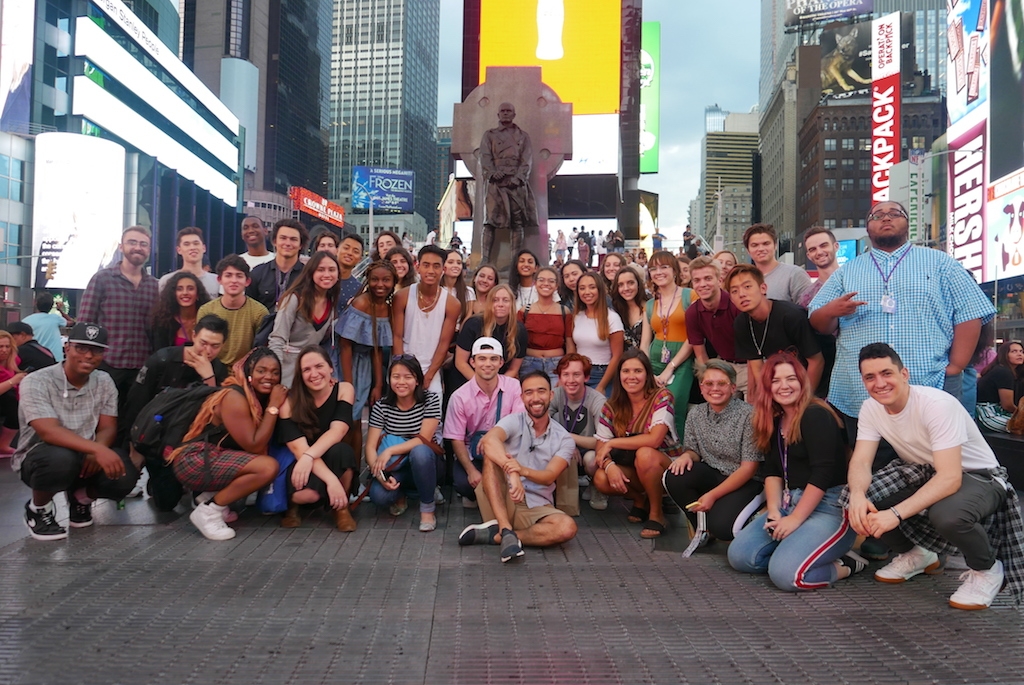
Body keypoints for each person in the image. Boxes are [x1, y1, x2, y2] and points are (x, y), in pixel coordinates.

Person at [844, 343, 1024, 609]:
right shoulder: (871, 408)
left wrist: (894, 514)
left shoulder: (936, 405)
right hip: (925, 469)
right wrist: (858, 496)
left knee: (948, 514)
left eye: (886, 373)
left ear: (904, 374)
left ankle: (986, 569)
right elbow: (860, 460)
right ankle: (918, 554)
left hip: (979, 475)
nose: (879, 383)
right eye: (870, 377)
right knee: (855, 497)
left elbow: (950, 477)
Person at [809, 201, 996, 424]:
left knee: (933, 455)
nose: (886, 218)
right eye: (877, 216)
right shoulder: (847, 271)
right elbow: (817, 321)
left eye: (894, 213)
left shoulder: (941, 263)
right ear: (868, 229)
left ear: (907, 224)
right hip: (860, 390)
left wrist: (956, 366)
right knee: (869, 455)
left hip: (928, 383)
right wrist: (831, 311)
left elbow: (970, 312)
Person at [728, 352, 863, 591]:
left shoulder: (815, 414)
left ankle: (844, 564)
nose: (784, 386)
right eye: (776, 380)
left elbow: (822, 474)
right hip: (788, 502)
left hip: (828, 507)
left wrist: (795, 520)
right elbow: (772, 472)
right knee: (741, 556)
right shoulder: (773, 419)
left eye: (791, 378)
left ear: (802, 381)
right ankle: (800, 552)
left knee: (786, 576)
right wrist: (773, 512)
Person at [15, 323, 139, 540]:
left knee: (125, 475)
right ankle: (39, 509)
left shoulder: (104, 380)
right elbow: (49, 432)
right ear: (67, 348)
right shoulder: (37, 381)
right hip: (42, 456)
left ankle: (80, 498)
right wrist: (96, 449)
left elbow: (108, 427)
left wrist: (97, 450)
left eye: (96, 350)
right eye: (81, 348)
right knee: (61, 459)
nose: (89, 355)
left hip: (86, 454)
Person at [458, 370, 578, 562]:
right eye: (529, 392)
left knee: (567, 528)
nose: (535, 398)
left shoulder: (564, 438)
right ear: (522, 397)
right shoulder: (514, 420)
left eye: (541, 391)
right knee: (491, 453)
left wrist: (521, 470)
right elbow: (490, 440)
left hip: (536, 504)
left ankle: (501, 535)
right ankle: (505, 526)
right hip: (501, 496)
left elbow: (549, 476)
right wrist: (512, 472)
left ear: (551, 395)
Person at [169, 348, 284, 540]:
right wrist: (274, 406)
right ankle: (208, 511)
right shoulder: (234, 396)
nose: (269, 377)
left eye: (275, 372)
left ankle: (208, 497)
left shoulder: (255, 398)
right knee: (267, 467)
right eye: (261, 371)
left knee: (264, 461)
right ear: (249, 373)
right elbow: (254, 446)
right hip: (193, 460)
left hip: (212, 456)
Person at [663, 360, 764, 544]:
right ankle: (701, 528)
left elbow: (748, 469)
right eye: (709, 383)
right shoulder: (696, 414)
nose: (714, 388)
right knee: (674, 475)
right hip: (713, 473)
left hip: (745, 480)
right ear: (701, 388)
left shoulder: (750, 415)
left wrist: (713, 495)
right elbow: (693, 450)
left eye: (722, 383)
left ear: (733, 388)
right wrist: (686, 456)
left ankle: (753, 512)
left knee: (724, 529)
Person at [591, 349, 683, 538]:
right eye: (626, 371)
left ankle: (656, 514)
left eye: (637, 371)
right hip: (634, 468)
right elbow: (600, 448)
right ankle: (639, 499)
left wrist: (613, 443)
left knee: (645, 454)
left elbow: (655, 439)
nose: (631, 377)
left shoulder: (662, 396)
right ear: (619, 375)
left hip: (668, 467)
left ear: (647, 374)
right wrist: (609, 466)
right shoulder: (611, 406)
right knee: (601, 478)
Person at [79, 226, 160, 424]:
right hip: (108, 362)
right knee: (101, 418)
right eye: (132, 242)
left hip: (142, 365)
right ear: (122, 247)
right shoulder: (102, 279)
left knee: (135, 420)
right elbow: (85, 323)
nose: (138, 248)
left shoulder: (155, 285)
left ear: (149, 250)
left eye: (143, 244)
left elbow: (158, 328)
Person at [277, 346, 359, 532]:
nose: (314, 374)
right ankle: (292, 506)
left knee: (343, 451)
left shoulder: (344, 389)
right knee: (308, 497)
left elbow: (338, 431)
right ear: (300, 374)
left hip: (323, 455)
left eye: (319, 366)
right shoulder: (289, 402)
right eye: (306, 369)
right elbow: (299, 449)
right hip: (298, 460)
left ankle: (341, 508)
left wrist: (309, 457)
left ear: (331, 367)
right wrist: (331, 481)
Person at [443, 337, 526, 508]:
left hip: (507, 451)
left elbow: (519, 425)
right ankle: (480, 495)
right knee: (464, 482)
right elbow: (456, 439)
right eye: (482, 358)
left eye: (493, 359)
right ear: (472, 362)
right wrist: (471, 471)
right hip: (474, 454)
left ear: (501, 362)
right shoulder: (459, 396)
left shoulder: (514, 387)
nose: (487, 364)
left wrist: (491, 440)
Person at [365, 355, 443, 532]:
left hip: (427, 462)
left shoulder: (430, 400)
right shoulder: (381, 406)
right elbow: (369, 447)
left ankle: (427, 508)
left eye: (408, 377)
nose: (401, 382)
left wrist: (390, 450)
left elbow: (423, 438)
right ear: (389, 379)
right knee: (379, 496)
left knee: (420, 452)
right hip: (396, 467)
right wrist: (379, 475)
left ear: (417, 381)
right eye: (396, 376)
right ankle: (404, 494)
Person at [728, 264, 823, 403]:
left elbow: (816, 361)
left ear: (763, 288)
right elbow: (758, 369)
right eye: (734, 291)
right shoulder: (741, 324)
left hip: (815, 382)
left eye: (747, 287)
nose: (742, 294)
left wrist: (804, 401)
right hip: (783, 382)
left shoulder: (791, 315)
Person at [122, 315, 231, 430]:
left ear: (223, 345)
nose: (208, 351)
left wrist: (209, 378)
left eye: (215, 346)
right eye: (203, 343)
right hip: (153, 428)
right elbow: (136, 401)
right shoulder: (163, 360)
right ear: (194, 336)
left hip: (190, 433)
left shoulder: (219, 369)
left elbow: (214, 413)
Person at [337, 260, 396, 454]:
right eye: (375, 280)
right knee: (349, 419)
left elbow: (376, 349)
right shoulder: (361, 303)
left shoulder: (386, 308)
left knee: (356, 421)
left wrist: (378, 384)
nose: (380, 285)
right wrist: (348, 385)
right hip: (347, 364)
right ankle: (346, 469)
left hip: (365, 366)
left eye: (386, 280)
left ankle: (355, 472)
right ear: (368, 281)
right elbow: (345, 346)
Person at [640, 251, 698, 435]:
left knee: (674, 405)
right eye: (653, 269)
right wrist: (648, 371)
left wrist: (670, 367)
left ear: (675, 271)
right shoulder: (650, 305)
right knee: (651, 408)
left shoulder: (691, 296)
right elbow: (644, 343)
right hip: (654, 360)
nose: (659, 272)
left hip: (681, 359)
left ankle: (678, 453)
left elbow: (693, 336)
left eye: (664, 267)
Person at [392, 245, 462, 396]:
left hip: (431, 367)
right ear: (418, 267)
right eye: (426, 265)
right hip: (403, 364)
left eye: (436, 266)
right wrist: (402, 370)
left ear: (443, 269)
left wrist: (429, 376)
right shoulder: (402, 297)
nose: (431, 271)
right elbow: (397, 336)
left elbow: (444, 343)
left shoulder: (452, 304)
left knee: (434, 403)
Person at [269, 252, 340, 388]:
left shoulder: (331, 301)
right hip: (288, 368)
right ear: (311, 272)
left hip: (312, 371)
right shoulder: (294, 298)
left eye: (332, 270)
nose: (327, 274)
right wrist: (277, 375)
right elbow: (277, 339)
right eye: (320, 270)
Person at [480, 102, 538, 264]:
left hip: (515, 183)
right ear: (498, 115)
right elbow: (484, 156)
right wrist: (492, 172)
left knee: (516, 222)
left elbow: (527, 159)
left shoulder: (523, 136)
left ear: (514, 114)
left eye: (509, 111)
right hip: (495, 184)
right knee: (489, 220)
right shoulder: (489, 135)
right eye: (502, 111)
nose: (505, 113)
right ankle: (484, 259)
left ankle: (515, 262)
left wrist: (518, 178)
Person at [549, 353, 608, 510]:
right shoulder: (555, 395)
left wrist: (569, 438)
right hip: (563, 450)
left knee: (592, 459)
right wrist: (566, 443)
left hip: (589, 450)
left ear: (586, 377)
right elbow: (540, 424)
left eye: (576, 374)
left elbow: (603, 441)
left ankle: (596, 485)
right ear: (560, 378)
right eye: (566, 375)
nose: (571, 380)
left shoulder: (597, 400)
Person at [685, 256, 748, 397]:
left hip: (749, 365)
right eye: (697, 280)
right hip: (723, 365)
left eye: (708, 278)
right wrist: (710, 379)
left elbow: (755, 347)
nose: (702, 284)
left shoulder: (736, 304)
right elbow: (700, 354)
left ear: (719, 280)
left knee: (752, 414)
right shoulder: (692, 312)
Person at [197, 255, 269, 367]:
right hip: (211, 368)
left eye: (239, 276)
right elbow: (201, 346)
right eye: (228, 275)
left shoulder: (259, 312)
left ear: (247, 281)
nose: (234, 281)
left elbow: (260, 351)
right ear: (219, 279)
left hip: (244, 371)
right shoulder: (206, 310)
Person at [455, 285, 527, 384]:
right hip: (469, 380)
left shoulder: (519, 330)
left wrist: (497, 386)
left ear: (512, 304)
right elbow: (460, 362)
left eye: (505, 300)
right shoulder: (473, 324)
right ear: (489, 303)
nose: (500, 304)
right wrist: (482, 384)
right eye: (495, 300)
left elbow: (513, 369)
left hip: (501, 382)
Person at [572, 272, 624, 396]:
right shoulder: (577, 316)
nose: (587, 292)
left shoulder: (612, 318)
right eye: (582, 288)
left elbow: (617, 356)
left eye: (592, 287)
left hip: (602, 374)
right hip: (579, 373)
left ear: (600, 290)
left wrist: (601, 386)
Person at [519, 267, 572, 382]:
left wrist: (569, 369)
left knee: (556, 398)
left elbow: (569, 342)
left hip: (556, 364)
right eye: (541, 280)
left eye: (551, 281)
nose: (546, 284)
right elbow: (516, 342)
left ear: (557, 285)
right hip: (529, 363)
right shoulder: (524, 311)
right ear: (535, 283)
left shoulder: (564, 311)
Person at [743, 223, 814, 304]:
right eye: (755, 245)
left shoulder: (794, 274)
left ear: (775, 245)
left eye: (766, 244)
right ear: (748, 250)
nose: (761, 249)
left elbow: (808, 310)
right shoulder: (744, 279)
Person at [247, 219, 309, 311]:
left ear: (300, 245)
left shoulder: (308, 276)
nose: (288, 243)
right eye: (283, 238)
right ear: (274, 241)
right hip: (263, 324)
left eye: (293, 239)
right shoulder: (257, 273)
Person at [149, 272, 211, 350]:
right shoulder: (162, 322)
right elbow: (159, 354)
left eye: (190, 288)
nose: (185, 293)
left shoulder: (207, 318)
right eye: (179, 289)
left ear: (198, 293)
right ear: (173, 294)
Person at [976, 341, 1024, 432]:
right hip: (988, 413)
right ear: (1005, 354)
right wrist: (1020, 415)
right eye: (1014, 351)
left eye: (1021, 351)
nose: (1019, 354)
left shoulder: (1014, 373)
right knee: (1019, 427)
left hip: (999, 412)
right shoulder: (1003, 372)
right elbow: (1007, 405)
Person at [158, 227, 221, 296]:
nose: (192, 248)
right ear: (179, 250)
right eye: (186, 244)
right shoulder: (166, 281)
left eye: (196, 243)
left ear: (204, 248)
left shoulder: (217, 281)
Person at [23, 292, 73, 362]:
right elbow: (71, 322)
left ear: (35, 303)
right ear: (52, 305)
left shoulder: (26, 321)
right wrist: (60, 310)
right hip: (55, 359)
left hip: (35, 359)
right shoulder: (55, 318)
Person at [0, 329, 26, 454]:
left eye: (7, 346)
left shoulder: (12, 361)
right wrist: (13, 381)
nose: (4, 350)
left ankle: (4, 444)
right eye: (0, 347)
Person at [611, 267, 650, 351]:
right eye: (621, 285)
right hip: (623, 361)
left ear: (638, 284)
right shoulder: (614, 310)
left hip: (648, 360)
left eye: (630, 283)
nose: (626, 288)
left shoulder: (651, 306)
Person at [442, 249, 475, 323]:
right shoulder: (436, 290)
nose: (455, 266)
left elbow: (467, 317)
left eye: (459, 263)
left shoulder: (468, 292)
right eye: (450, 262)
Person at [335, 232, 365, 315]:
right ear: (337, 251)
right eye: (346, 248)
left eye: (355, 251)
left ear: (360, 259)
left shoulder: (359, 289)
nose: (350, 253)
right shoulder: (321, 278)